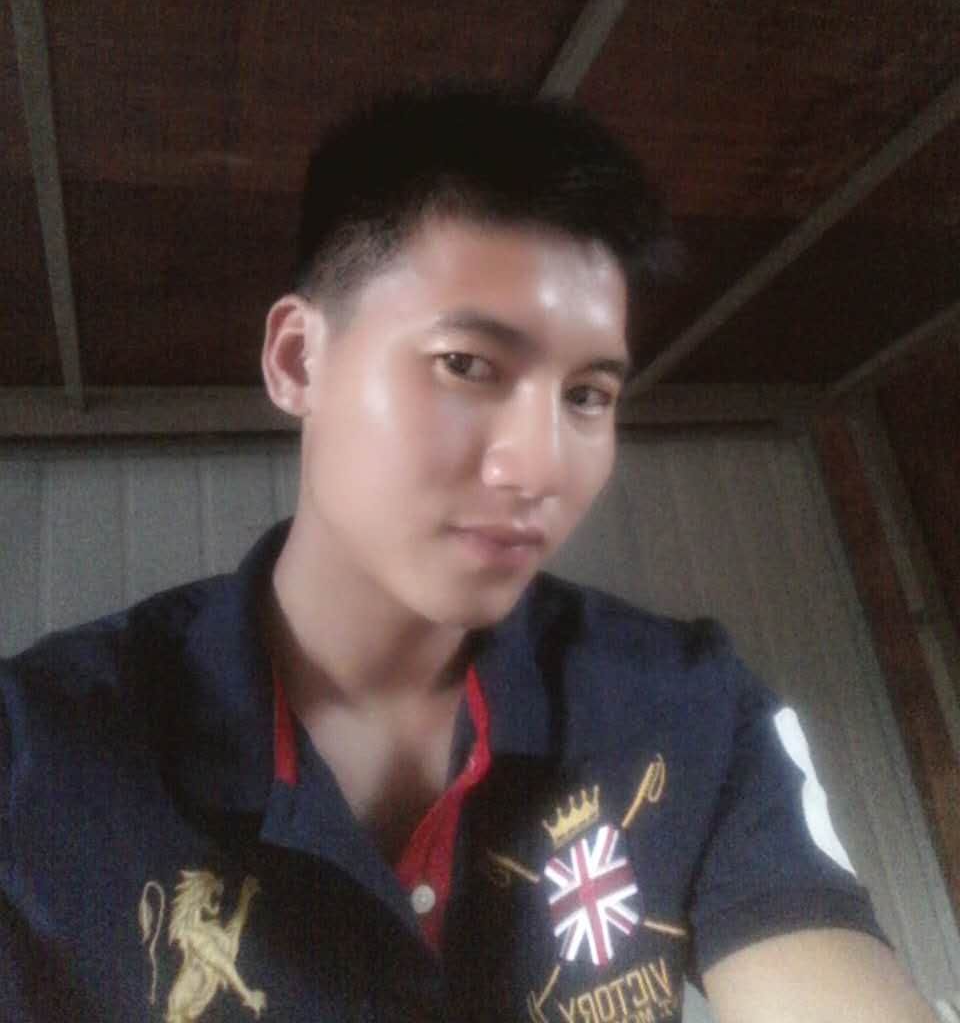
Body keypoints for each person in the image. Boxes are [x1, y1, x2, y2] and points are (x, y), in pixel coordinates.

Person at [0, 89, 938, 1022]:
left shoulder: (685, 706)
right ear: (297, 360)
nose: (541, 466)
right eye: (466, 364)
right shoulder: (38, 764)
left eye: (587, 395)